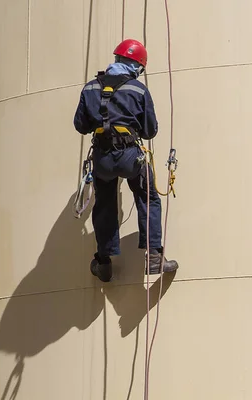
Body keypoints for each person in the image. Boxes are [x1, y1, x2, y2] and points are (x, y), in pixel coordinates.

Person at [73, 38, 179, 282]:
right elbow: (150, 131)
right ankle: (154, 257)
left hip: (102, 159)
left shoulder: (90, 88)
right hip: (130, 156)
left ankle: (104, 261)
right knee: (148, 198)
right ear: (137, 66)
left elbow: (81, 125)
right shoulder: (138, 90)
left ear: (116, 59)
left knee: (105, 204)